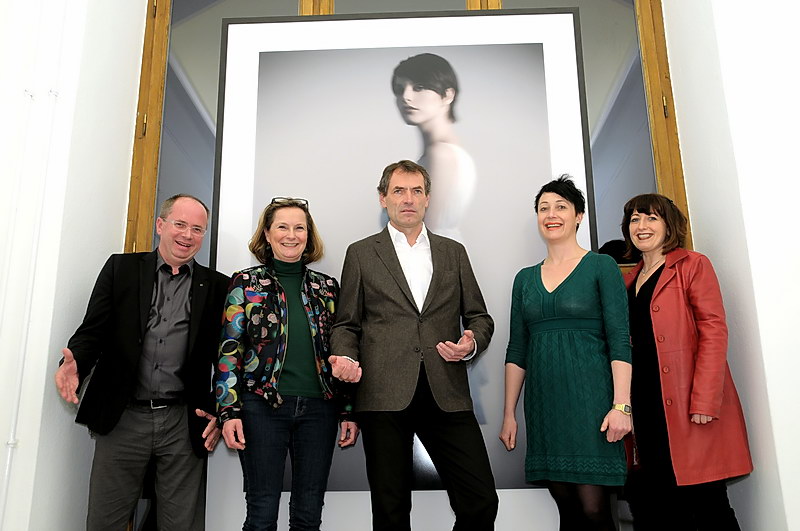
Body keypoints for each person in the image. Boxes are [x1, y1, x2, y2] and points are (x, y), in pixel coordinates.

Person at [330, 160, 498, 530]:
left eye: (416, 191)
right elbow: (346, 323)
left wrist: (471, 343)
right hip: (383, 395)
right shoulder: (361, 253)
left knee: (481, 501)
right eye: (399, 191)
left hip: (446, 391)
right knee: (390, 510)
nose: (408, 199)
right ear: (383, 198)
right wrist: (343, 355)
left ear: (427, 199)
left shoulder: (453, 252)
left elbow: (480, 318)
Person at [54, 194, 229, 530]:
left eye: (197, 229)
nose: (187, 235)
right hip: (122, 416)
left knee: (180, 524)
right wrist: (75, 363)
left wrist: (221, 410)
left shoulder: (219, 286)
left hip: (183, 421)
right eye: (180, 224)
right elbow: (93, 331)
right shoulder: (121, 269)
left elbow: (226, 357)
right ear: (160, 225)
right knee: (105, 521)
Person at [215, 197, 358, 531]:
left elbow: (344, 349)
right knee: (262, 512)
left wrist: (349, 410)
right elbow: (229, 351)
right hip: (261, 408)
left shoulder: (327, 288)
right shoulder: (245, 283)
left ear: (308, 235)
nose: (291, 235)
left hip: (320, 410)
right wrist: (228, 412)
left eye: (299, 228)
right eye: (282, 227)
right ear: (267, 234)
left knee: (309, 513)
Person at [500, 176, 632, 530]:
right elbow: (517, 349)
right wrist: (509, 413)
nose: (551, 214)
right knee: (568, 509)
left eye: (561, 207)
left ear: (578, 216)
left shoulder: (601, 266)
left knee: (594, 510)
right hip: (546, 407)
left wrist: (622, 406)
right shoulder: (524, 279)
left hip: (594, 405)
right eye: (544, 208)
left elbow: (620, 339)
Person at [620, 194, 752, 530]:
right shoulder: (629, 280)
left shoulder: (693, 265)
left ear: (669, 226)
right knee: (659, 504)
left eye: (651, 218)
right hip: (645, 405)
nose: (641, 226)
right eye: (635, 219)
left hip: (688, 405)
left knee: (707, 503)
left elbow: (713, 331)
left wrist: (705, 399)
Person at [392, 53, 476, 240]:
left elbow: (423, 238)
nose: (406, 97)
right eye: (399, 89)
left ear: (447, 95)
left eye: (419, 87)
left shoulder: (441, 155)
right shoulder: (440, 153)